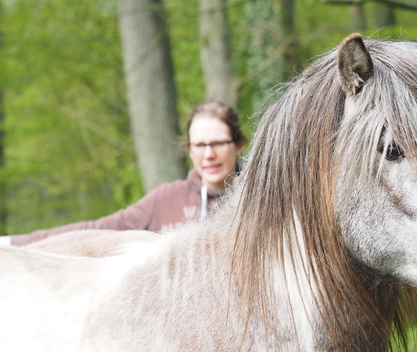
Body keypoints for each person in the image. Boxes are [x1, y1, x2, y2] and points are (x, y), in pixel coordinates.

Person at [0, 102, 245, 247]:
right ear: (189, 150)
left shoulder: (257, 199)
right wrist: (13, 243)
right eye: (200, 145)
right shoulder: (166, 199)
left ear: (238, 145)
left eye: (218, 143)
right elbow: (98, 229)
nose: (209, 154)